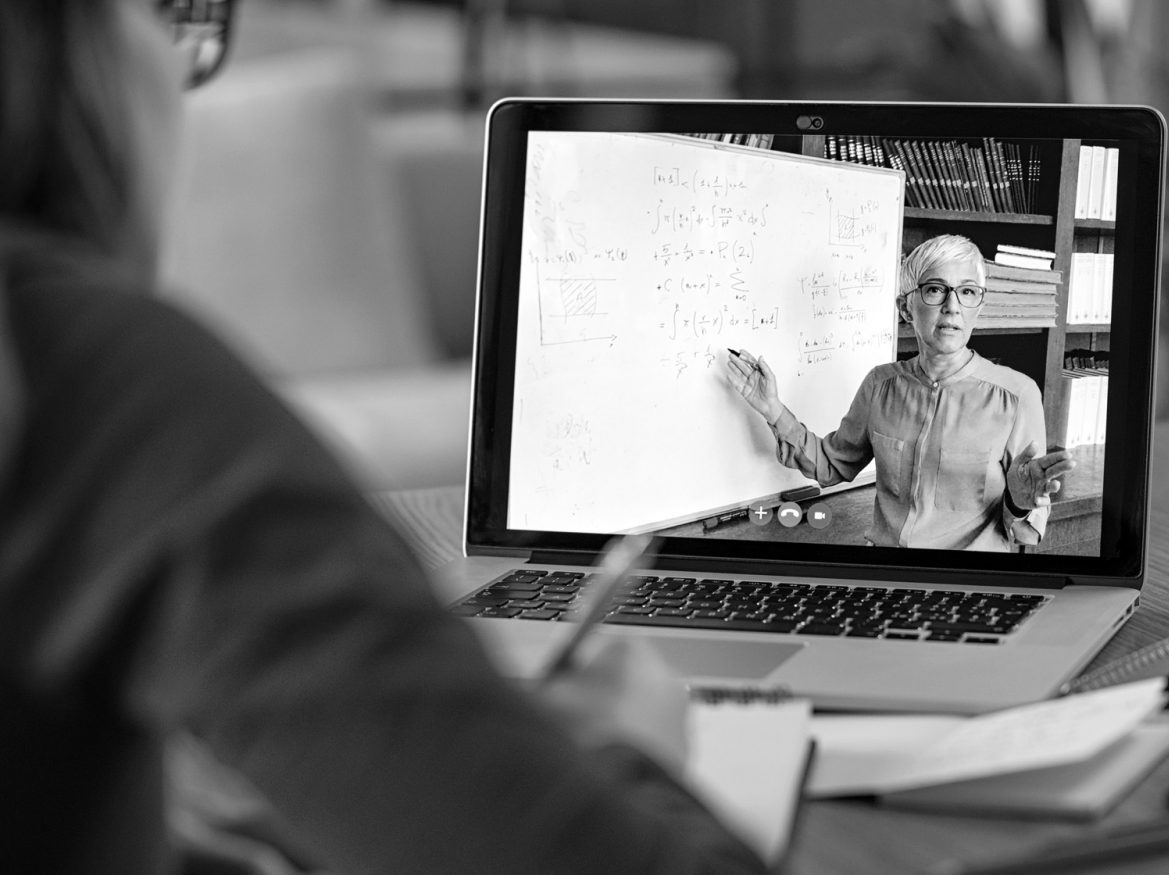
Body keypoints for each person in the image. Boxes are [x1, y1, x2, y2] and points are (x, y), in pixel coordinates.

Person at [0, 2, 765, 873]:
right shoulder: (102, 391)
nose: (181, 72)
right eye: (168, 13)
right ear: (59, 41)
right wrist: (627, 757)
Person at [726, 234, 1075, 551]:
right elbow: (833, 465)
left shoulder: (1016, 395)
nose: (952, 306)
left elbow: (1025, 533)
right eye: (935, 289)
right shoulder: (880, 386)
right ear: (905, 307)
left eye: (967, 292)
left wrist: (1018, 500)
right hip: (887, 576)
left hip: (966, 585)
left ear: (979, 307)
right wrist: (773, 409)